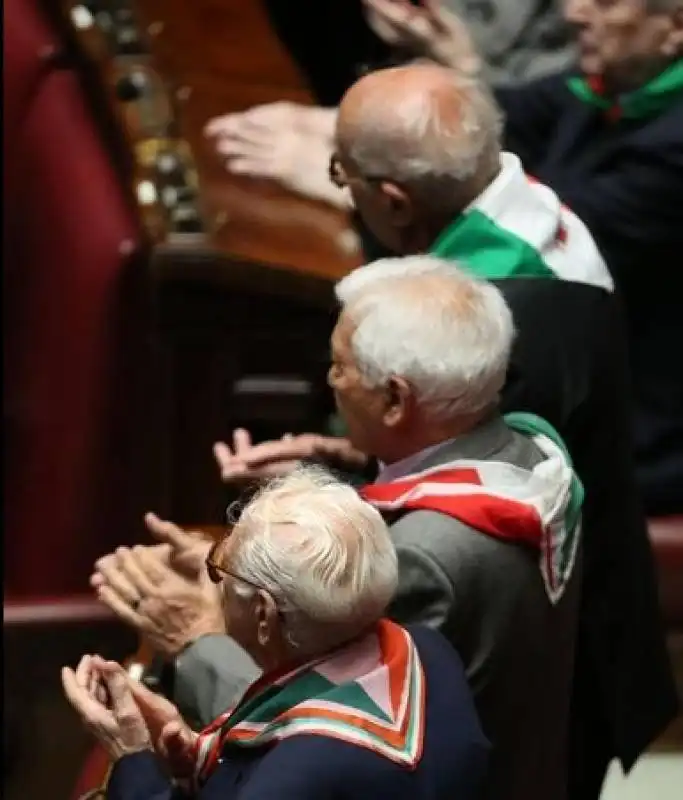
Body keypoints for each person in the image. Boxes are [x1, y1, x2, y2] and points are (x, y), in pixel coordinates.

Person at [95, 259, 588, 800]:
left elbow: (325, 727)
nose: (330, 381)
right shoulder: (532, 450)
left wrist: (198, 635)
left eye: (339, 367)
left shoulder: (423, 561)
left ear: (396, 399)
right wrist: (316, 488)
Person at [65, 467, 489, 799]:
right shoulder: (430, 651)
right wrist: (199, 758)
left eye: (219, 570)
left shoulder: (292, 778)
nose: (214, 584)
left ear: (264, 616)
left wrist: (131, 757)